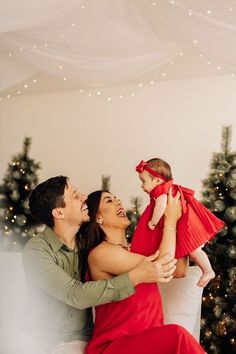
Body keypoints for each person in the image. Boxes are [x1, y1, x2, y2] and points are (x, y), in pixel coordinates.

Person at [22, 175, 178, 354]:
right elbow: (75, 294)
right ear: (58, 213)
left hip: (81, 339)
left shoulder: (86, 245)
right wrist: (136, 276)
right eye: (74, 195)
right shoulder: (37, 251)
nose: (83, 197)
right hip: (48, 340)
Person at [78, 189, 205, 354]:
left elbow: (179, 270)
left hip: (151, 343)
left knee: (175, 336)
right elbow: (164, 264)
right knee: (177, 334)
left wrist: (180, 219)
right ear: (98, 217)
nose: (118, 202)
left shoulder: (135, 252)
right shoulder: (101, 253)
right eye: (109, 200)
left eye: (117, 198)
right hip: (115, 346)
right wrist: (170, 221)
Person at [134, 158, 225, 287]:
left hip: (188, 225)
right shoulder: (167, 188)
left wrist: (152, 222)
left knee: (194, 251)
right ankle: (207, 271)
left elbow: (160, 208)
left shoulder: (161, 191)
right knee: (194, 252)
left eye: (144, 181)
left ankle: (208, 271)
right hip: (185, 223)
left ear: (158, 180)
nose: (141, 185)